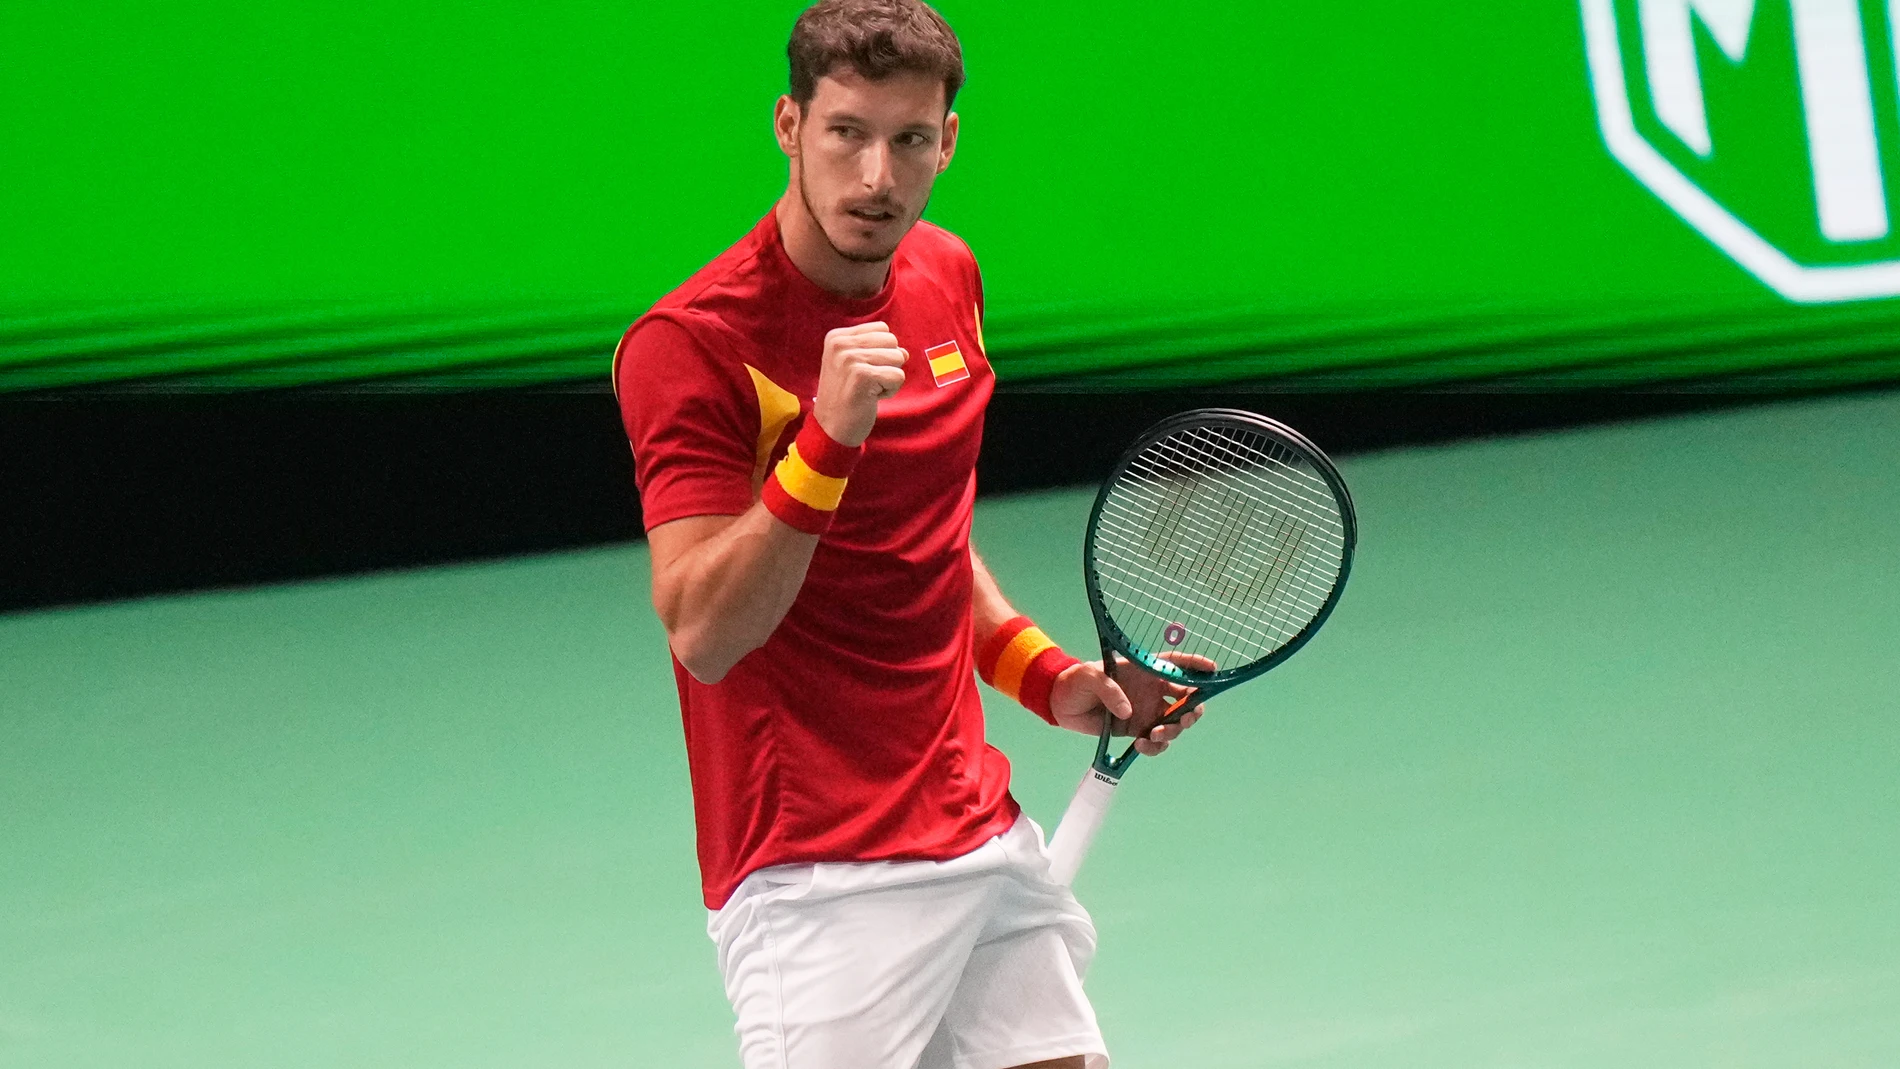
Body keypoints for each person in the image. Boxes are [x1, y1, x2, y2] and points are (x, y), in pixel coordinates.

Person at [614, 2, 1203, 1066]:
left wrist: (1051, 678)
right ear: (789, 126)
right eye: (846, 133)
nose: (876, 177)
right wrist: (824, 443)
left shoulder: (948, 277)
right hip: (815, 873)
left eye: (908, 140)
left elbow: (925, 542)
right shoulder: (693, 345)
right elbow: (703, 628)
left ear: (949, 142)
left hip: (973, 824)